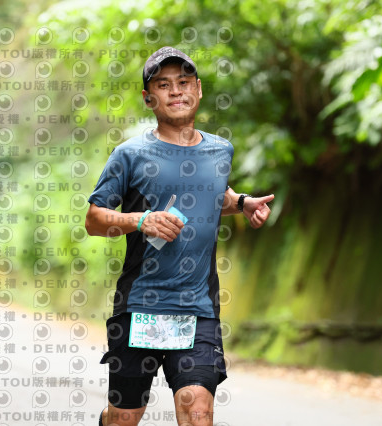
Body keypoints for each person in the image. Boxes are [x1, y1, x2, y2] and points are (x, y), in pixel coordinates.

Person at [85, 46, 274, 426]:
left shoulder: (220, 150)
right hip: (140, 305)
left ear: (198, 89)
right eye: (163, 84)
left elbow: (211, 192)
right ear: (148, 98)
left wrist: (242, 202)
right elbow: (94, 219)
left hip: (198, 308)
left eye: (184, 82)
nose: (176, 91)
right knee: (124, 416)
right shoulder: (130, 154)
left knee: (197, 410)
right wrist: (141, 221)